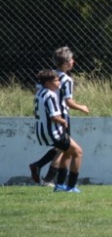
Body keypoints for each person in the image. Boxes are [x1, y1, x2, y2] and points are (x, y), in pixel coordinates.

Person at [29, 47, 90, 186]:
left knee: (61, 149)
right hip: (60, 118)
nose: (74, 62)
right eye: (72, 59)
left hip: (47, 118)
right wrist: (82, 107)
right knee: (67, 149)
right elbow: (69, 102)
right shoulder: (66, 79)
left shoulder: (48, 76)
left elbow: (37, 91)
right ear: (66, 63)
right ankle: (51, 179)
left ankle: (41, 168)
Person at [33, 69, 84, 192]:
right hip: (54, 132)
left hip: (43, 132)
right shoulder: (50, 95)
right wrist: (63, 121)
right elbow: (54, 116)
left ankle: (60, 185)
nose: (59, 83)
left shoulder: (39, 93)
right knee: (78, 152)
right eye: (56, 80)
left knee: (66, 152)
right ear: (48, 82)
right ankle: (71, 186)